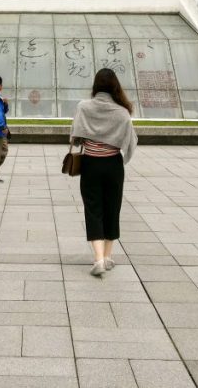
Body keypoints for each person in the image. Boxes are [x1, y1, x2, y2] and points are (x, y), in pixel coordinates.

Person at [71, 67, 138, 278]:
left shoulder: (84, 107)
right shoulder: (122, 112)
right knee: (112, 208)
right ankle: (108, 257)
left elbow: (75, 136)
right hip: (113, 166)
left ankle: (98, 258)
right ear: (115, 86)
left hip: (91, 164)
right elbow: (131, 141)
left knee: (93, 209)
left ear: (96, 85)